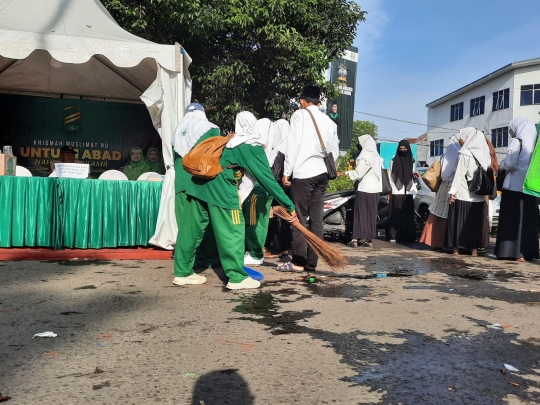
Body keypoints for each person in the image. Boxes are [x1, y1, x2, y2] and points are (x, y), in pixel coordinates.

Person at [173, 108, 297, 289]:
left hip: (197, 183)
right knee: (234, 227)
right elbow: (268, 181)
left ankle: (182, 272)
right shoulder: (252, 147)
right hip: (219, 186)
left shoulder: (231, 141)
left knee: (191, 229)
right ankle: (237, 277)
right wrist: (289, 205)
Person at [280, 85, 339, 272]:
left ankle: (298, 261)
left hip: (304, 174)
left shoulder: (300, 115)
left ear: (303, 100)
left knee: (297, 217)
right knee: (317, 219)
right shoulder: (330, 122)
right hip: (322, 174)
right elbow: (335, 152)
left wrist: (286, 171)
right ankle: (312, 262)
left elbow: (293, 143)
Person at [495, 117, 539, 262]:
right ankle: (527, 252)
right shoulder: (535, 143)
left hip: (514, 187)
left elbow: (511, 164)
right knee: (527, 220)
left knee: (512, 219)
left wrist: (502, 164)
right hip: (530, 188)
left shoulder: (517, 141)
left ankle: (512, 252)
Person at [242, 118, 282, 265]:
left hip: (257, 189)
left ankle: (255, 253)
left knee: (253, 221)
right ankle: (256, 251)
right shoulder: (274, 150)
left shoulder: (259, 151)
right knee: (261, 221)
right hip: (266, 189)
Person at [447, 127, 491, 256]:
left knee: (458, 222)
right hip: (478, 196)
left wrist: (452, 192)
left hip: (463, 193)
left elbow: (459, 175)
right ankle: (474, 251)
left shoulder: (464, 153)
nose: (461, 139)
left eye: (462, 137)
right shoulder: (485, 154)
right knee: (474, 224)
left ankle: (456, 249)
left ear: (468, 138)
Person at [336, 135, 382, 247]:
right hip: (376, 190)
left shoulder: (364, 156)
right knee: (371, 214)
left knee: (360, 213)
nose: (359, 145)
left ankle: (355, 239)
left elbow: (358, 174)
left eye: (360, 143)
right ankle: (369, 240)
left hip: (364, 188)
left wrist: (344, 173)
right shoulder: (377, 157)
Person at [420, 135, 461, 250]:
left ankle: (435, 241)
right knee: (447, 214)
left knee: (438, 213)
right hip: (452, 187)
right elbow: (446, 174)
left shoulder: (444, 155)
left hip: (443, 187)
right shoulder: (458, 155)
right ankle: (446, 243)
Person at [386, 140, 418, 243]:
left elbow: (413, 173)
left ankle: (407, 236)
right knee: (396, 215)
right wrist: (390, 191)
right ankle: (393, 236)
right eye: (401, 149)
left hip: (408, 192)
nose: (403, 150)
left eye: (405, 149)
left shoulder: (412, 161)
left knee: (408, 215)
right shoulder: (393, 161)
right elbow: (390, 177)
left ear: (408, 149)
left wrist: (415, 175)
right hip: (396, 191)